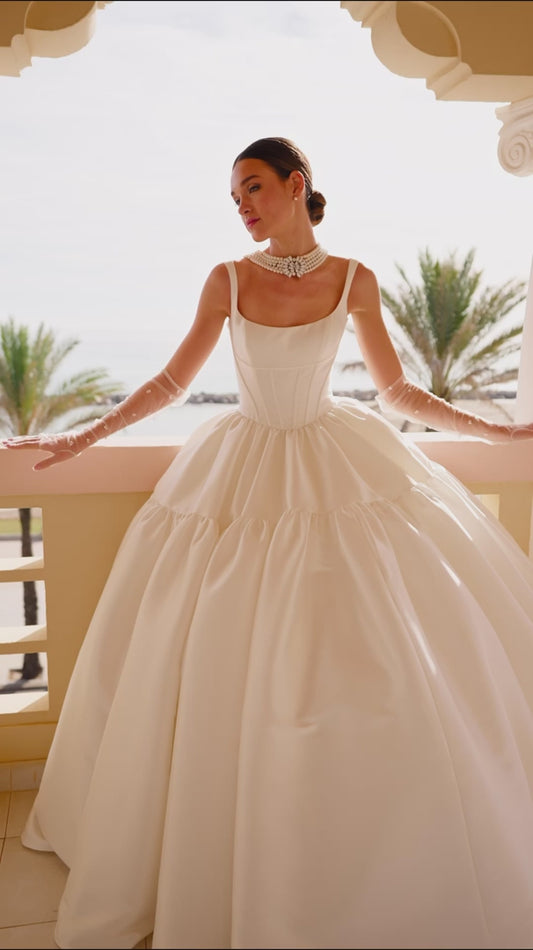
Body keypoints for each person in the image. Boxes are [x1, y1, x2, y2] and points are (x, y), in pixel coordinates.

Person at [3, 136, 533, 950]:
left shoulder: (355, 276)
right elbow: (174, 383)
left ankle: (345, 823)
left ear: (297, 186)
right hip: (243, 464)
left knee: (350, 649)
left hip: (333, 458)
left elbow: (394, 388)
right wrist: (82, 438)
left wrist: (492, 432)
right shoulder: (227, 278)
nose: (242, 205)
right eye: (233, 195)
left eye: (252, 187)